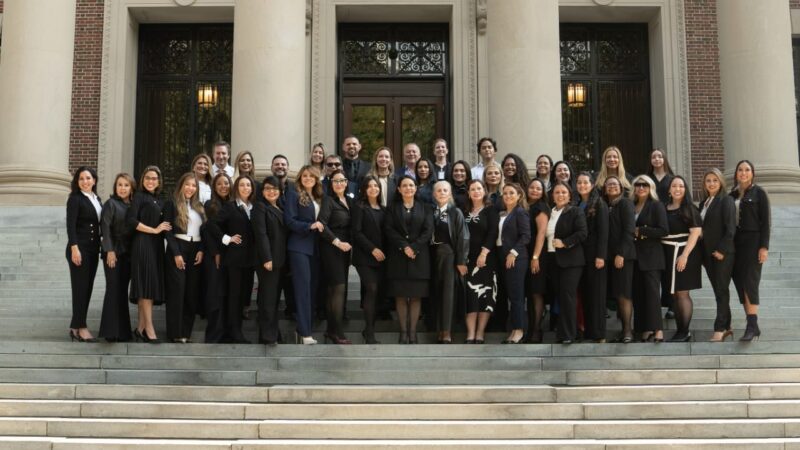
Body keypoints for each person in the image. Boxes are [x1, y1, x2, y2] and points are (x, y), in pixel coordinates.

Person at [384, 175, 434, 344]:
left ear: (416, 188)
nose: (408, 188)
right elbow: (389, 229)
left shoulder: (426, 207)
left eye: (411, 185)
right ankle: (403, 332)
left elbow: (428, 231)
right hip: (398, 257)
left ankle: (413, 333)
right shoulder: (392, 208)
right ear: (398, 189)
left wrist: (414, 247)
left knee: (415, 297)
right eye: (404, 186)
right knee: (400, 296)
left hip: (419, 258)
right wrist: (404, 246)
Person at [210, 175, 257, 343]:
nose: (245, 187)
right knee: (234, 296)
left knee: (244, 297)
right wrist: (227, 238)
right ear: (236, 188)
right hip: (234, 260)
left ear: (252, 188)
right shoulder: (230, 207)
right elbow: (212, 224)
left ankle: (237, 331)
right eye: (242, 185)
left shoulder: (254, 207)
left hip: (250, 261)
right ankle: (234, 332)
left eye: (248, 185)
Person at [127, 166, 171, 343]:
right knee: (145, 286)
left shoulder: (159, 200)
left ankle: (140, 327)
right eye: (147, 178)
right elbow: (131, 220)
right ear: (142, 180)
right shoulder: (138, 197)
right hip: (143, 243)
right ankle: (149, 329)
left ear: (159, 181)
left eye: (154, 178)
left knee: (150, 286)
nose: (151, 181)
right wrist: (153, 230)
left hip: (156, 246)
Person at [284, 166, 325, 345]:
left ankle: (303, 329)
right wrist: (309, 226)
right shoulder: (294, 195)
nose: (308, 178)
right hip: (299, 247)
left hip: (317, 249)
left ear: (317, 179)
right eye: (305, 176)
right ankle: (305, 333)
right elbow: (290, 221)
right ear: (300, 178)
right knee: (302, 290)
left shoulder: (320, 197)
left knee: (312, 290)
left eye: (311, 176)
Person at [730, 160, 770, 342]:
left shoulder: (759, 193)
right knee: (740, 283)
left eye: (747, 170)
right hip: (735, 244)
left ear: (752, 173)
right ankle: (753, 325)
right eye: (740, 170)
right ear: (736, 174)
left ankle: (751, 326)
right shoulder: (731, 195)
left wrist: (764, 247)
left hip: (753, 243)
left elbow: (766, 222)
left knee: (750, 283)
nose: (743, 173)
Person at [163, 172, 206, 343]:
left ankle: (185, 333)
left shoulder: (200, 207)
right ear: (181, 185)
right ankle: (175, 332)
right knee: (177, 292)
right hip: (178, 248)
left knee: (191, 293)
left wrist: (202, 250)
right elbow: (167, 230)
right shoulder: (171, 204)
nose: (190, 188)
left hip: (195, 249)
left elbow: (205, 232)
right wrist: (176, 253)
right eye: (187, 184)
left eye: (193, 185)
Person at [661, 175, 703, 342]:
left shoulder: (690, 209)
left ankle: (684, 331)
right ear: (669, 190)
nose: (678, 189)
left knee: (683, 293)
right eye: (674, 186)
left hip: (684, 254)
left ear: (685, 190)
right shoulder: (663, 208)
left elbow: (696, 232)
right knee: (675, 295)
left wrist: (684, 255)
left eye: (681, 186)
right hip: (667, 253)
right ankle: (680, 330)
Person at [547, 182, 588, 344]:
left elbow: (582, 233)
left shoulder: (575, 211)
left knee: (568, 296)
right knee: (561, 296)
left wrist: (564, 242)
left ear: (570, 195)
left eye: (564, 192)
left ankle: (569, 334)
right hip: (553, 260)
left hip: (571, 261)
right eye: (557, 192)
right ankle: (563, 332)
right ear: (552, 195)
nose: (560, 195)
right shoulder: (550, 212)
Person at [66, 166, 103, 342]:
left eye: (88, 178)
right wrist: (74, 248)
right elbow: (70, 225)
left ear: (94, 180)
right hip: (79, 249)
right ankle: (81, 327)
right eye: (81, 179)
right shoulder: (75, 199)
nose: (85, 181)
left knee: (86, 288)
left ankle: (75, 326)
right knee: (80, 288)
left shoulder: (97, 199)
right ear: (77, 182)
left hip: (93, 249)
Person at [699, 168, 736, 342]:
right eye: (708, 181)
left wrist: (722, 250)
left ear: (721, 182)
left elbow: (730, 229)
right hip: (708, 255)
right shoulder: (704, 203)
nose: (711, 183)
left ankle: (720, 328)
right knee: (718, 291)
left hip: (723, 254)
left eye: (715, 180)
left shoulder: (726, 200)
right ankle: (728, 326)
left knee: (721, 290)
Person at [318, 169, 354, 345]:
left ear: (346, 183)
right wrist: (337, 242)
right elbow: (321, 225)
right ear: (331, 184)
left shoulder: (349, 201)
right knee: (338, 289)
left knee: (335, 291)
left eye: (342, 180)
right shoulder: (328, 200)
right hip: (332, 248)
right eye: (335, 181)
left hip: (345, 251)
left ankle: (330, 330)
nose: (339, 183)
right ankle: (338, 332)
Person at [98, 173, 135, 342]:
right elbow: (104, 228)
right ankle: (110, 332)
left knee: (121, 291)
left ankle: (123, 332)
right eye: (119, 185)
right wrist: (109, 251)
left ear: (131, 188)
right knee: (113, 289)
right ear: (115, 187)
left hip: (128, 255)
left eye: (126, 185)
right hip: (112, 253)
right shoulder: (110, 204)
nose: (122, 188)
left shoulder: (134, 206)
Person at [431, 181, 469, 344]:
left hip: (450, 255)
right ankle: (436, 329)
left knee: (448, 293)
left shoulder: (456, 212)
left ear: (450, 194)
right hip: (432, 255)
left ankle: (446, 331)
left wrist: (461, 261)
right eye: (438, 190)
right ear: (434, 194)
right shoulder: (430, 212)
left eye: (445, 190)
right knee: (435, 292)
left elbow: (463, 237)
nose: (441, 192)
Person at [631, 174, 668, 342]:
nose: (641, 188)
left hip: (652, 256)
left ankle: (658, 330)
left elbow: (663, 230)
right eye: (638, 185)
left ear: (650, 187)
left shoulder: (656, 206)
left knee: (653, 294)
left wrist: (642, 231)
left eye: (644, 185)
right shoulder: (631, 205)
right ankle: (644, 329)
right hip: (634, 256)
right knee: (638, 294)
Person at [252, 176, 287, 345]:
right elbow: (261, 234)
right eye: (267, 188)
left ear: (280, 191)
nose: (271, 191)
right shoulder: (260, 207)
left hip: (281, 260)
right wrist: (267, 257)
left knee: (274, 300)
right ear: (262, 191)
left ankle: (274, 332)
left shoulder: (280, 207)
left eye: (275, 188)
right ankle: (267, 335)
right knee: (268, 299)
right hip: (268, 261)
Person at [351, 175, 387, 344]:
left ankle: (368, 329)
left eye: (376, 185)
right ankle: (370, 332)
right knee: (371, 288)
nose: (373, 188)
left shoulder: (384, 208)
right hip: (364, 256)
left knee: (377, 292)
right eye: (369, 186)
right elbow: (356, 232)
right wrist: (372, 249)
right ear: (364, 189)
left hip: (382, 257)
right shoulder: (359, 206)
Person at [464, 179, 498, 344]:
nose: (476, 191)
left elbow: (492, 233)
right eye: (473, 189)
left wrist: (484, 253)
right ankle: (470, 333)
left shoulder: (491, 211)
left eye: (479, 188)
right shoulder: (463, 211)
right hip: (467, 260)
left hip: (486, 259)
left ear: (484, 191)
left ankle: (480, 333)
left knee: (485, 294)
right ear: (469, 193)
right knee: (470, 296)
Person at [576, 172, 608, 343]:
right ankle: (588, 330)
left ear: (592, 184)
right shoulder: (578, 203)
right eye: (579, 183)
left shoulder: (599, 204)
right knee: (586, 293)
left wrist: (601, 255)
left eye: (585, 182)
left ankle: (599, 333)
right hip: (580, 257)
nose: (582, 185)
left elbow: (603, 232)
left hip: (596, 257)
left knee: (597, 295)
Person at [603, 176, 636, 343]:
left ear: (621, 188)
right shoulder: (605, 206)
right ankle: (623, 330)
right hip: (608, 257)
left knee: (624, 294)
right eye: (608, 185)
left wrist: (621, 253)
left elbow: (630, 230)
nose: (611, 187)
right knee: (617, 294)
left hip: (623, 256)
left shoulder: (625, 204)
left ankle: (627, 331)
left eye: (615, 184)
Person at [497, 183, 531, 344]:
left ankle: (519, 330)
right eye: (505, 193)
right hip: (504, 258)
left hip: (517, 259)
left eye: (511, 193)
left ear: (519, 196)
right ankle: (513, 329)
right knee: (511, 294)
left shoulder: (520, 212)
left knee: (517, 296)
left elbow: (526, 236)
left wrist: (513, 252)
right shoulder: (503, 213)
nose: (508, 195)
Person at [202, 173, 232, 343]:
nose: (223, 186)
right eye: (219, 184)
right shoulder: (209, 204)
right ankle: (214, 333)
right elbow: (207, 230)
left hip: (230, 255)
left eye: (226, 183)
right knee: (215, 293)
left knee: (227, 293)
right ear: (214, 187)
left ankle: (226, 331)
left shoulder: (233, 204)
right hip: (214, 255)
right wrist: (216, 253)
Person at [526, 178, 550, 343]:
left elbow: (541, 233)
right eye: (532, 187)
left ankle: (536, 330)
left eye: (538, 188)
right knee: (529, 292)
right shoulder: (524, 206)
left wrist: (535, 257)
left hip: (537, 254)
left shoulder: (541, 207)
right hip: (523, 253)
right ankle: (529, 328)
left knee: (536, 292)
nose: (534, 190)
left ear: (543, 192)